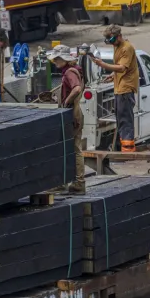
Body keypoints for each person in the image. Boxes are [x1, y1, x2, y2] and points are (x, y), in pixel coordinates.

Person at [91, 24, 139, 153]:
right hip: (119, 87)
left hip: (125, 88)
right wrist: (113, 75)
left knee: (125, 118)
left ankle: (128, 149)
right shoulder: (117, 46)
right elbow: (120, 66)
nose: (110, 43)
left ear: (119, 36)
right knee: (120, 117)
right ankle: (125, 147)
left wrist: (103, 64)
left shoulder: (126, 48)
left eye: (112, 40)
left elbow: (123, 68)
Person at [47, 45, 85, 193]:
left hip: (72, 114)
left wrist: (66, 102)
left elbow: (76, 89)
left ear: (64, 59)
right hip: (74, 113)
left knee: (74, 149)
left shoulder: (69, 72)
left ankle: (77, 183)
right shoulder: (75, 70)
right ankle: (70, 182)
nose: (55, 61)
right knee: (69, 148)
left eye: (57, 59)